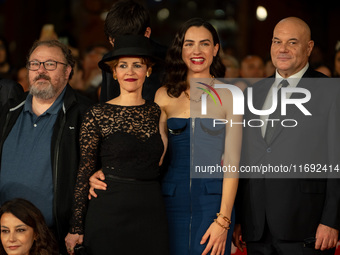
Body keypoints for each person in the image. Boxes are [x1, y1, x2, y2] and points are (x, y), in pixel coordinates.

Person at [233, 17, 340, 254]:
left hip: (308, 227)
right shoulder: (253, 92)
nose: (282, 49)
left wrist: (332, 220)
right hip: (256, 227)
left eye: (292, 42)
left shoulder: (332, 92)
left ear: (309, 47)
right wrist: (239, 217)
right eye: (276, 41)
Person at [65, 35, 169, 255]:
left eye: (137, 65)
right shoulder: (97, 113)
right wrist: (76, 227)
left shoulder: (157, 111)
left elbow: (162, 161)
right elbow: (85, 171)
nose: (130, 72)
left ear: (147, 70)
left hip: (151, 209)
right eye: (123, 65)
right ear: (114, 72)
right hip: (109, 209)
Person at [155, 18, 241, 255]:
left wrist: (224, 220)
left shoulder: (230, 95)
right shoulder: (163, 95)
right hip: (169, 201)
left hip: (214, 203)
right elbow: (153, 154)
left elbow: (233, 163)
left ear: (215, 49)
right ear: (180, 49)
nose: (196, 51)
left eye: (204, 44)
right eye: (189, 43)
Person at [0, 39, 92, 254]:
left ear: (68, 71)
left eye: (50, 64)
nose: (41, 70)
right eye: (34, 64)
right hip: (7, 240)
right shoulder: (8, 111)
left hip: (56, 238)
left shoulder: (85, 114)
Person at [99, 0, 167, 102]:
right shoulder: (109, 60)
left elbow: (199, 110)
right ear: (111, 40)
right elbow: (106, 103)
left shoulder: (170, 58)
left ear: (146, 33)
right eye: (118, 43)